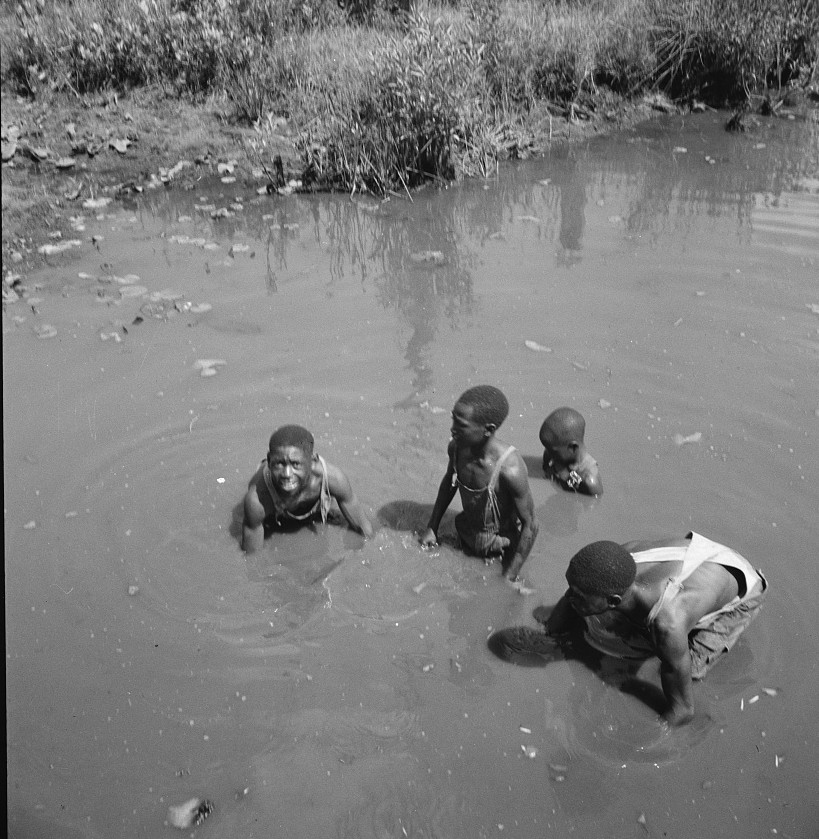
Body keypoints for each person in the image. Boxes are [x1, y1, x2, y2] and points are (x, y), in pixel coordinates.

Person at [497, 532, 767, 726]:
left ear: (614, 600)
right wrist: (552, 635)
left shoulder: (668, 623)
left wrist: (649, 737)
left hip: (741, 589)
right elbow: (573, 596)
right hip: (701, 556)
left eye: (579, 595)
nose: (570, 596)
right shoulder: (612, 561)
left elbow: (683, 710)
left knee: (684, 669)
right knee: (607, 620)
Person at [419, 385, 538, 582]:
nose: (452, 429)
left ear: (488, 430)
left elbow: (531, 524)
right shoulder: (457, 448)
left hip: (500, 548)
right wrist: (432, 527)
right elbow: (450, 482)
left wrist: (510, 575)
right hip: (466, 532)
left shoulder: (510, 469)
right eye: (453, 420)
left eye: (461, 425)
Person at [242, 424, 374, 553]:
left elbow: (364, 529)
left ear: (313, 461)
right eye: (279, 464)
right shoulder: (258, 499)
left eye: (295, 464)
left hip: (313, 507)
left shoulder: (333, 479)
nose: (287, 474)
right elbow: (252, 557)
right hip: (274, 515)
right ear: (269, 460)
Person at [539, 407, 602, 496]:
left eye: (553, 452)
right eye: (547, 448)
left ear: (573, 448)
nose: (548, 453)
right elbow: (546, 469)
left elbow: (592, 505)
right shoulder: (552, 453)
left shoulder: (590, 482)